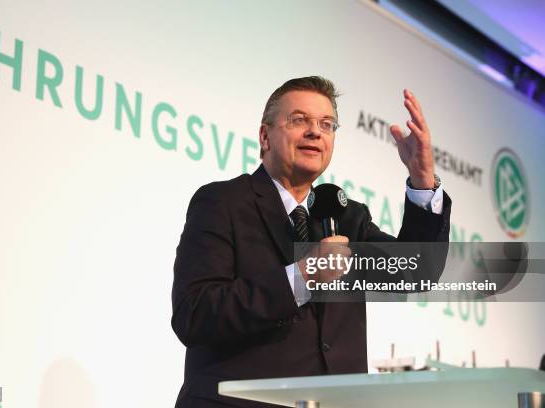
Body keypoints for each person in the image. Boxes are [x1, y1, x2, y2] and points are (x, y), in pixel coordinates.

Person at [171, 76, 451, 407]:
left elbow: (415, 271)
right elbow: (195, 315)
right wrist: (302, 276)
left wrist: (422, 181)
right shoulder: (224, 203)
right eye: (299, 120)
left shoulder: (348, 219)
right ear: (265, 136)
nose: (315, 131)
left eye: (326, 124)